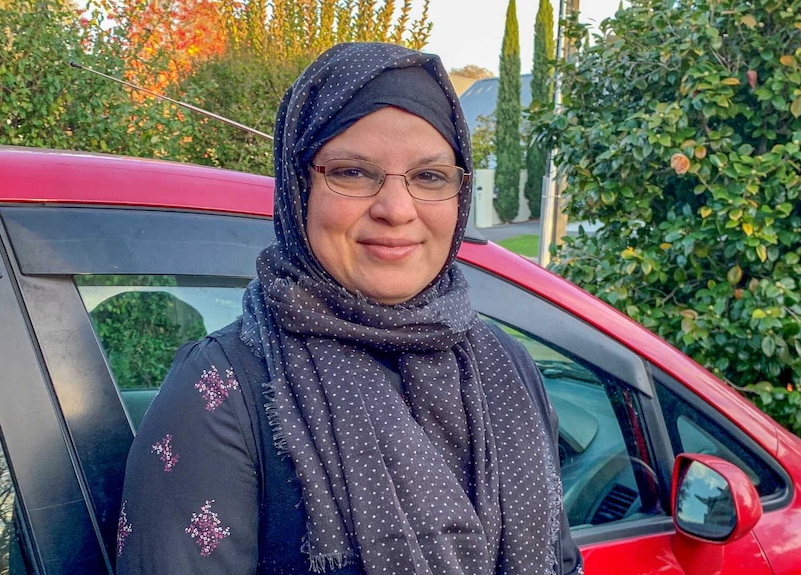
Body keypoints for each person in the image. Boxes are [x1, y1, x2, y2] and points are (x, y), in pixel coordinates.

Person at [115, 41, 584, 575]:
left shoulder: (505, 366)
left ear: (461, 193)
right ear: (298, 187)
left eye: (430, 176)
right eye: (353, 173)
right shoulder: (224, 390)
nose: (396, 209)